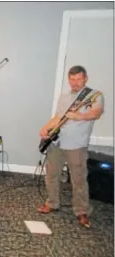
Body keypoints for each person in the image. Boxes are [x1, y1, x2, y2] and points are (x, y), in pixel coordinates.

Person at [38, 65, 104, 228]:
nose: (75, 83)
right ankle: (52, 203)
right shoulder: (64, 96)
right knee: (52, 174)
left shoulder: (95, 95)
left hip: (76, 145)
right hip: (57, 142)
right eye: (72, 79)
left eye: (78, 79)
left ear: (85, 78)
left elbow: (96, 112)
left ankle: (82, 211)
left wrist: (79, 115)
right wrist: (46, 127)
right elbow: (58, 117)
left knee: (78, 179)